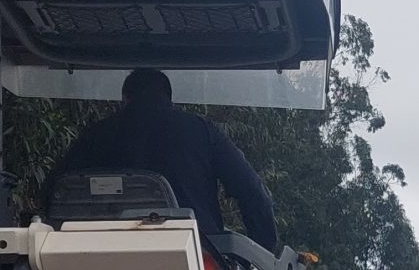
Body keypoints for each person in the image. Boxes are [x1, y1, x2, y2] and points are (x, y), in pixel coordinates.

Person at [47, 68, 279, 248]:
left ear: (125, 99)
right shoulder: (202, 132)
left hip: (104, 265)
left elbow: (54, 190)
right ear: (170, 100)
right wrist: (264, 258)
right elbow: (252, 191)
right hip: (198, 265)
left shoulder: (96, 135)